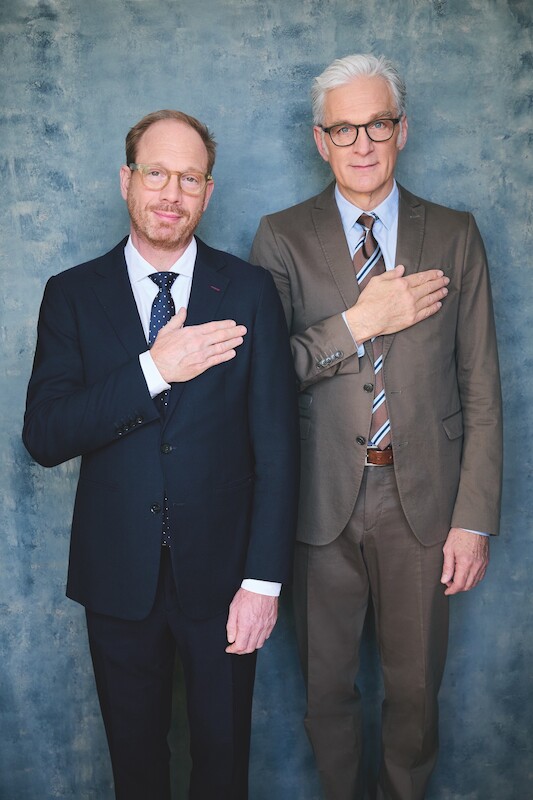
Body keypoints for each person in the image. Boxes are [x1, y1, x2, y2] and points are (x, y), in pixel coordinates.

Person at [23, 109, 299, 800]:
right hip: (116, 578)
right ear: (126, 180)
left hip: (226, 581)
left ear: (208, 192)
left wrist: (263, 583)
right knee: (136, 768)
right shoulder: (71, 294)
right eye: (155, 173)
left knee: (223, 765)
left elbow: (277, 446)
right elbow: (46, 436)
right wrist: (153, 369)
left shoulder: (248, 291)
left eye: (189, 178)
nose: (171, 193)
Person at [250, 54, 502, 800]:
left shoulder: (454, 233)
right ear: (320, 140)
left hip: (424, 504)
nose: (362, 143)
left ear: (402, 130)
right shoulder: (280, 237)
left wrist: (473, 519)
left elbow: (481, 386)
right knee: (325, 692)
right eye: (344, 129)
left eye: (378, 124)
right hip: (317, 499)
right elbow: (263, 379)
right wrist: (359, 322)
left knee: (415, 692)